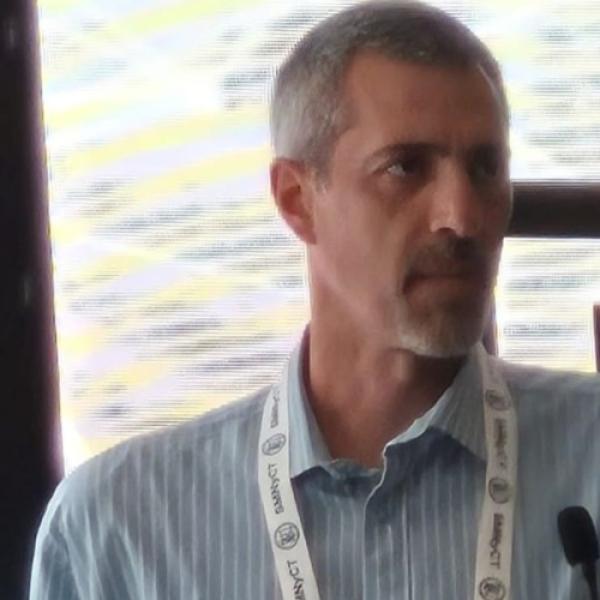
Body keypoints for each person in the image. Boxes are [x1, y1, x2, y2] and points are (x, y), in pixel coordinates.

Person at [30, 2, 600, 599]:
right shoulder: (119, 529)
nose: (460, 216)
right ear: (297, 200)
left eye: (485, 169)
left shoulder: (588, 460)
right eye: (405, 168)